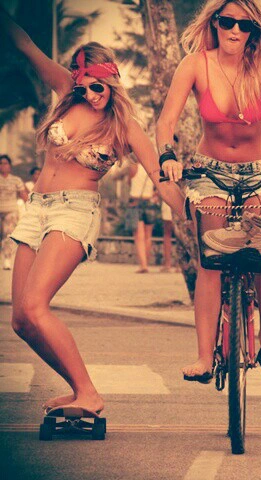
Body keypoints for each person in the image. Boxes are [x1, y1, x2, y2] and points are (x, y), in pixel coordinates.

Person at [1, 9, 184, 414]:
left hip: (74, 212)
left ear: (112, 80)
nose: (91, 94)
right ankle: (79, 388)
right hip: (36, 211)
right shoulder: (67, 91)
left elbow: (160, 179)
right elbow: (25, 45)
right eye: (84, 87)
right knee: (21, 321)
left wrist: (191, 213)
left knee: (36, 306)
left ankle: (89, 393)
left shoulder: (126, 126)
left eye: (98, 86)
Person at [156, 0, 261, 383]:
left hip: (260, 171)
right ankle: (204, 356)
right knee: (211, 258)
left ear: (254, 30)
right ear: (214, 22)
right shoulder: (195, 64)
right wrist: (167, 156)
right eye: (227, 21)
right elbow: (166, 121)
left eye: (244, 25)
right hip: (209, 171)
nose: (235, 30)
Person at [125, 162, 158, 273]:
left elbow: (129, 183)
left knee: (139, 236)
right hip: (149, 202)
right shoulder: (153, 168)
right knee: (148, 236)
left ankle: (143, 265)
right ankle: (146, 263)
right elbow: (158, 186)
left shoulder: (133, 167)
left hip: (135, 203)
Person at [0, 154, 28, 270]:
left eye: (5, 163)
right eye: (1, 163)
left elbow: (24, 195)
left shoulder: (16, 180)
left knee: (8, 235)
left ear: (10, 166)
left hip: (10, 211)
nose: (3, 166)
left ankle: (7, 259)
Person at [160, 201, 176, 272]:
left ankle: (167, 264)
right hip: (181, 201)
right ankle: (179, 265)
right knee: (180, 235)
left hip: (168, 202)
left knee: (167, 234)